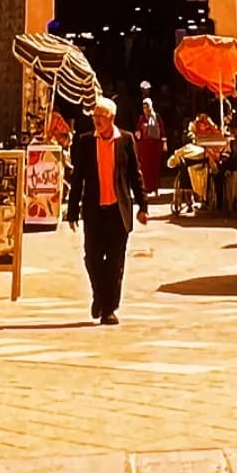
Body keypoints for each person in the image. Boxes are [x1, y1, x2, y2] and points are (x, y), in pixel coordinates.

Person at [66, 97, 151, 324]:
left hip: (117, 211)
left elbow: (135, 174)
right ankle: (99, 296)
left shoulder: (125, 140)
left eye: (100, 116)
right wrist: (72, 210)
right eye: (94, 117)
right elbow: (78, 179)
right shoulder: (84, 143)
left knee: (115, 262)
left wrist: (143, 205)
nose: (96, 121)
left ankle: (109, 308)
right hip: (94, 211)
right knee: (92, 258)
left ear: (111, 118)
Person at [136, 86, 164, 195]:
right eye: (144, 108)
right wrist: (138, 132)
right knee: (145, 168)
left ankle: (155, 188)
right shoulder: (141, 118)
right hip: (145, 147)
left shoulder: (156, 117)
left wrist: (163, 142)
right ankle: (147, 188)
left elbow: (162, 130)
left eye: (147, 107)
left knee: (155, 168)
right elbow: (138, 130)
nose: (146, 110)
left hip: (155, 145)